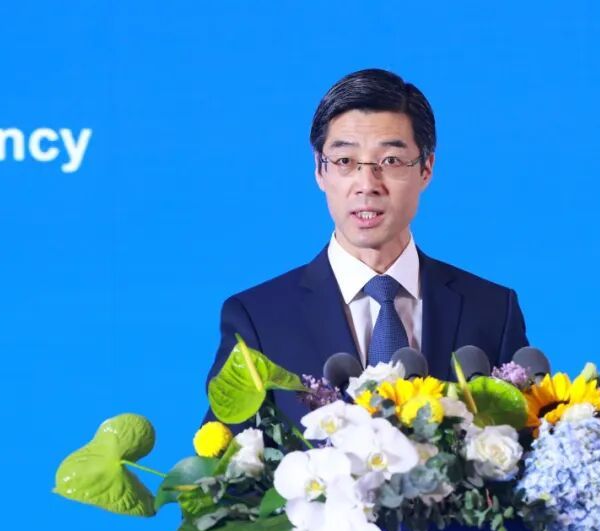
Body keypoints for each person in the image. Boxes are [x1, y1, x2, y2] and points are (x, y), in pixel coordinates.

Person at [205, 68, 529, 425]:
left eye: (390, 161)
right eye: (345, 161)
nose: (367, 184)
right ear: (320, 170)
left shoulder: (492, 311)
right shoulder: (259, 319)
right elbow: (224, 456)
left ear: (426, 168)